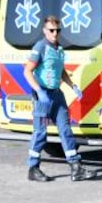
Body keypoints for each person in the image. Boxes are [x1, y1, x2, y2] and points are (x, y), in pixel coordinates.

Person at [24, 15, 90, 182]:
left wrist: (72, 86)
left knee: (66, 130)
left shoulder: (59, 48)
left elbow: (61, 71)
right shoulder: (40, 47)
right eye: (51, 30)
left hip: (57, 94)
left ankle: (75, 168)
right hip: (43, 96)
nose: (55, 33)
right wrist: (39, 92)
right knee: (40, 133)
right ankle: (33, 168)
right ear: (45, 31)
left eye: (57, 30)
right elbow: (27, 71)